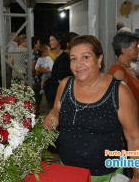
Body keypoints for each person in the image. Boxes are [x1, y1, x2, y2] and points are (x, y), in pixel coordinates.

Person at [42, 35, 139, 182]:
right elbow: (55, 114)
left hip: (106, 175)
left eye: (85, 57)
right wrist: (35, 144)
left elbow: (133, 137)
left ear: (99, 59)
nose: (78, 64)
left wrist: (137, 175)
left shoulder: (118, 91)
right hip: (67, 172)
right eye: (73, 59)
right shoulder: (65, 85)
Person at [39, 32, 74, 108]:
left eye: (52, 40)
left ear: (59, 41)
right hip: (56, 92)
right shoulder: (62, 57)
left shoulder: (65, 55)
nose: (50, 42)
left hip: (55, 91)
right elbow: (60, 79)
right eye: (50, 40)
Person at [108, 31, 139, 109]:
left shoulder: (129, 69)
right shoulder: (118, 72)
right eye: (135, 47)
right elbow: (117, 104)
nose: (138, 50)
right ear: (124, 49)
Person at [31, 37, 42, 116]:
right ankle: (35, 115)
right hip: (35, 80)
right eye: (38, 43)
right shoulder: (35, 54)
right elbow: (33, 68)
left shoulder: (28, 53)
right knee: (36, 99)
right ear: (34, 44)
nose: (39, 45)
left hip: (29, 80)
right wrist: (40, 72)